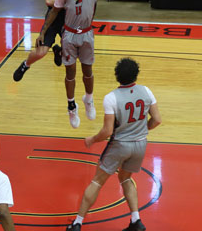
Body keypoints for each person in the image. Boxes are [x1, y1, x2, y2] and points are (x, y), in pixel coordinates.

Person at [39, 0, 152, 128]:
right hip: (68, 35)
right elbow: (54, 12)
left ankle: (88, 99)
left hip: (86, 34)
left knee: (87, 71)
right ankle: (71, 106)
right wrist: (43, 32)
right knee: (70, 74)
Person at [65, 57, 162, 231]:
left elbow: (107, 131)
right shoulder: (146, 91)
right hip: (140, 145)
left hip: (120, 144)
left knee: (97, 181)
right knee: (126, 178)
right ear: (136, 75)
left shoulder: (111, 98)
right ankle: (136, 220)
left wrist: (92, 139)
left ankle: (77, 223)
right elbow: (157, 120)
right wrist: (141, 130)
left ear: (117, 76)